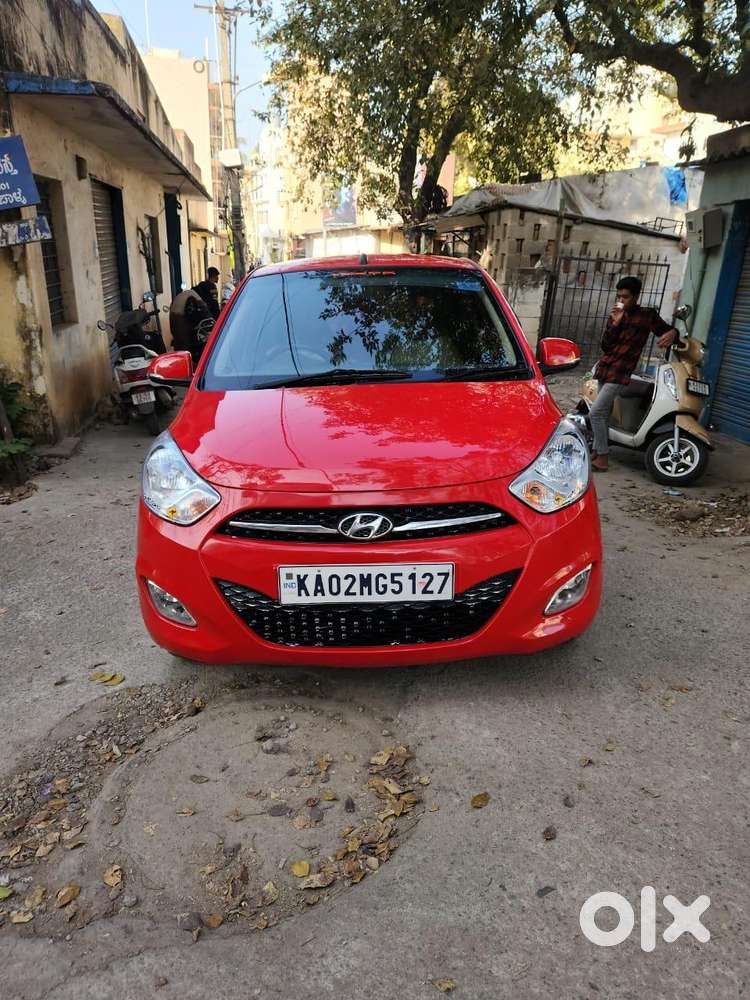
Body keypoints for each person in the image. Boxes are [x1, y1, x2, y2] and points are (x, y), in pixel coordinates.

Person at [589, 276, 679, 472]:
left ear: (636, 297)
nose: (621, 300)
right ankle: (596, 451)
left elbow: (667, 330)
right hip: (606, 367)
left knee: (595, 412)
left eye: (626, 297)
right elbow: (606, 346)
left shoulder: (646, 316)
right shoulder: (616, 315)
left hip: (620, 372)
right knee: (603, 413)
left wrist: (673, 333)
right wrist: (615, 324)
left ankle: (603, 457)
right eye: (619, 296)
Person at [169, 286, 211, 363]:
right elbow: (205, 316)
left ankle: (180, 361)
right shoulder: (198, 298)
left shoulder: (187, 294)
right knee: (185, 344)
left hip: (174, 313)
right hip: (180, 316)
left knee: (178, 341)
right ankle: (187, 363)